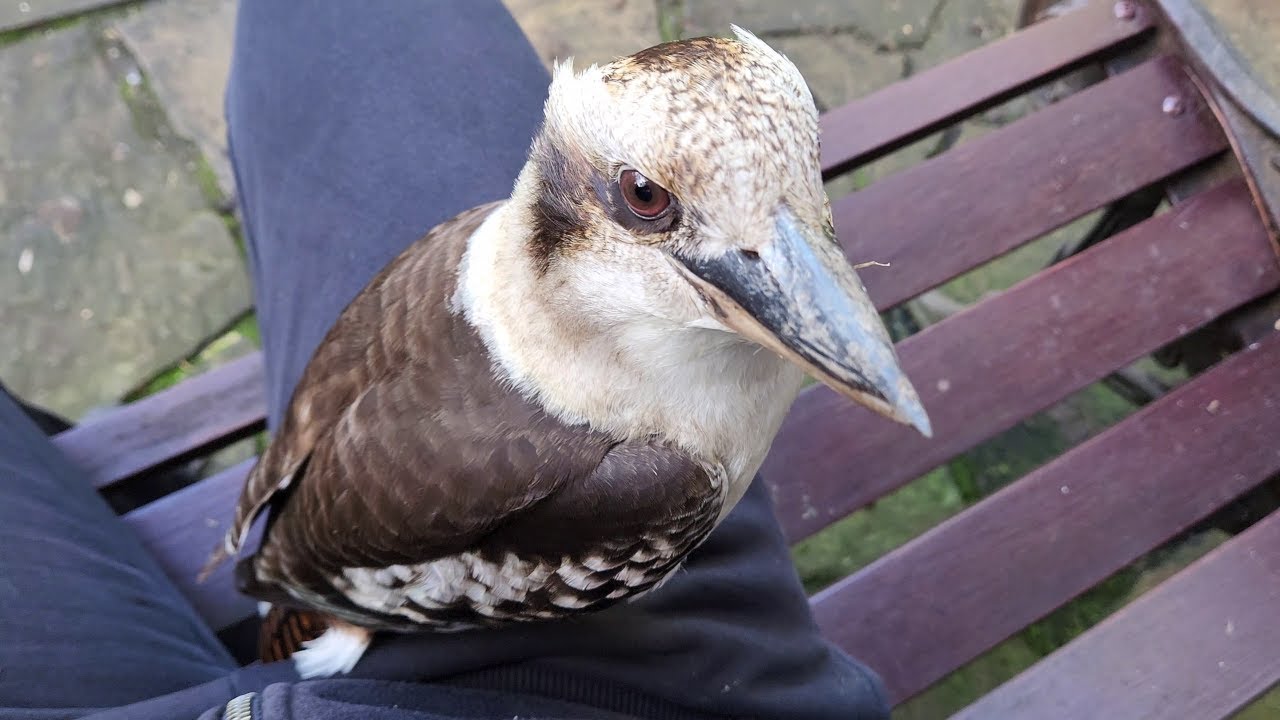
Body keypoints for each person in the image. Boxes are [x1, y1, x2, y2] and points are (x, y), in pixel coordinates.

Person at [0, 3, 890, 718]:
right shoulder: (646, 482)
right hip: (404, 624)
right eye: (651, 198)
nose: (808, 288)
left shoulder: (514, 250)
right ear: (573, 203)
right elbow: (336, 587)